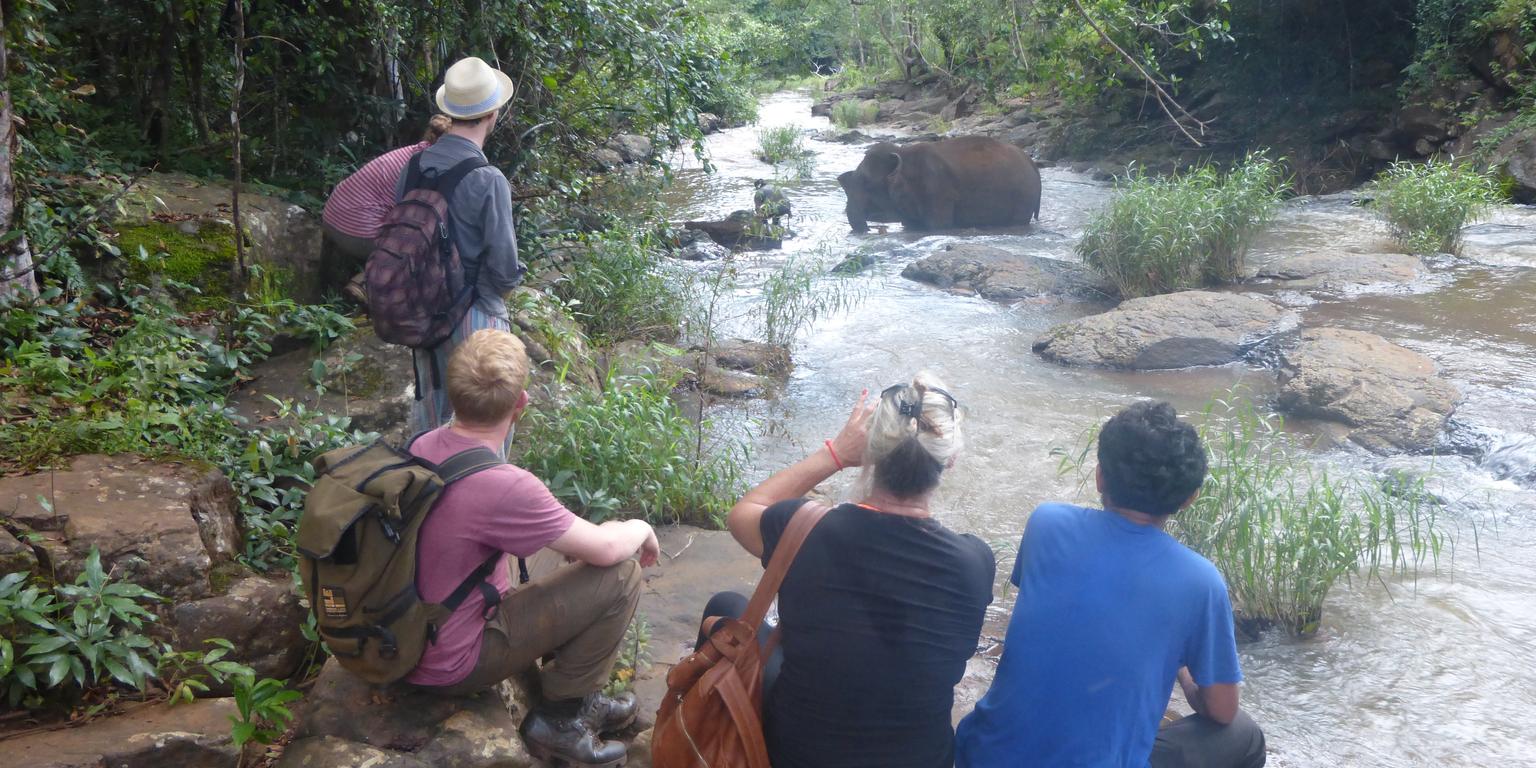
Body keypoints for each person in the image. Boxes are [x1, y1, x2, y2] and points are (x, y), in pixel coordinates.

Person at [697, 373, 995, 768]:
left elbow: (742, 514)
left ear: (868, 450)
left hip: (800, 755)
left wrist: (835, 454)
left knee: (727, 606)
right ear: (951, 459)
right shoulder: (975, 562)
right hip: (920, 759)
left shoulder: (803, 529)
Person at [955, 401, 1266, 768]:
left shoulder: (1046, 524)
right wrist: (1182, 666)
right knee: (1243, 735)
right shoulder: (1200, 581)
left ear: (1100, 476)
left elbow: (1070, 622)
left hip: (984, 755)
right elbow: (1223, 710)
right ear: (1189, 498)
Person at [408, 328, 660, 767]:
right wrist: (639, 526)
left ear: (453, 397)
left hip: (406, 636)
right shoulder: (507, 487)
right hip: (450, 662)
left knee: (565, 550)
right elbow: (605, 551)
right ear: (520, 403)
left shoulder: (421, 445)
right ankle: (562, 718)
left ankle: (573, 693)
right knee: (621, 573)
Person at [400, 56, 527, 436]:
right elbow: (504, 269)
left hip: (423, 309)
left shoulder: (414, 165)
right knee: (484, 429)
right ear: (493, 114)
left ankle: (430, 490)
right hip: (474, 313)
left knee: (433, 421)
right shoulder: (488, 179)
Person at [320, 113, 452, 298]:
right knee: (426, 245)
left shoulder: (412, 153)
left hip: (333, 217)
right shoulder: (425, 167)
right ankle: (364, 282)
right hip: (353, 231)